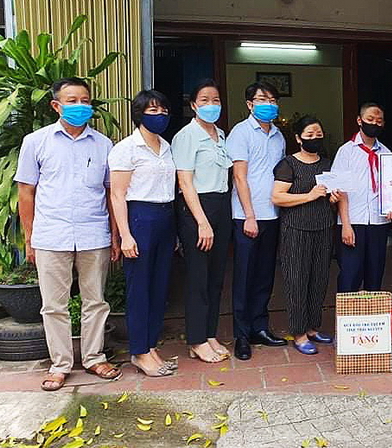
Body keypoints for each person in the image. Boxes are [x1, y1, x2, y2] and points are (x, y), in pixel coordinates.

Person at [15, 77, 122, 391]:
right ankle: (60, 365)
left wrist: (115, 235)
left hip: (93, 232)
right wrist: (30, 238)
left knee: (95, 301)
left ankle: (94, 358)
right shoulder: (36, 142)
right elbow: (26, 192)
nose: (80, 106)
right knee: (53, 305)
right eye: (72, 101)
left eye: (85, 101)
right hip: (51, 235)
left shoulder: (104, 144)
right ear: (56, 105)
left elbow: (110, 193)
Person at [109, 90, 177, 377]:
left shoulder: (166, 146)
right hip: (140, 218)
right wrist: (125, 235)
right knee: (139, 289)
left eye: (163, 110)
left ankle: (150, 346)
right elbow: (117, 195)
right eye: (152, 110)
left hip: (165, 216)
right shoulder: (126, 148)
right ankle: (139, 351)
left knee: (159, 288)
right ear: (139, 114)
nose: (160, 115)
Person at [172, 79, 233, 364]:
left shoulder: (220, 134)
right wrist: (202, 222)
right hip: (197, 208)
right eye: (205, 100)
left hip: (221, 205)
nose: (211, 105)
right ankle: (196, 339)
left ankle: (209, 334)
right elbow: (185, 181)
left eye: (216, 100)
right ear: (194, 105)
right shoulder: (186, 136)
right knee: (198, 277)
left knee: (216, 277)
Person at [227, 81, 288, 361]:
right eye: (263, 99)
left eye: (273, 100)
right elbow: (239, 177)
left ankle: (259, 328)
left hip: (272, 214)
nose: (269, 104)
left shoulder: (278, 136)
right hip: (247, 217)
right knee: (244, 277)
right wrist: (249, 215)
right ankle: (241, 335)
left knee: (265, 275)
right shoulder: (240, 133)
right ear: (250, 104)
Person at [272, 116, 340, 355]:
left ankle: (312, 327)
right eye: (309, 135)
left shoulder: (328, 164)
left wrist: (333, 198)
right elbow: (277, 197)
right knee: (297, 281)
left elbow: (331, 195)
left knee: (319, 280)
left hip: (323, 227)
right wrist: (308, 196)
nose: (315, 139)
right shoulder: (288, 164)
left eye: (318, 135)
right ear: (298, 138)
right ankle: (298, 332)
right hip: (296, 229)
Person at [333, 102, 392, 293]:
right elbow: (340, 190)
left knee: (375, 274)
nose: (374, 124)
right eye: (370, 119)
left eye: (379, 121)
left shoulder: (386, 153)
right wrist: (346, 225)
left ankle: (372, 312)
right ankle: (347, 313)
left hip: (378, 221)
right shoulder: (346, 151)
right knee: (350, 275)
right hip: (353, 221)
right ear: (359, 120)